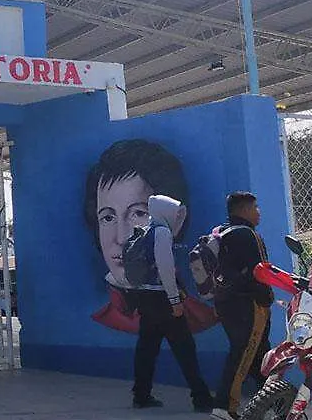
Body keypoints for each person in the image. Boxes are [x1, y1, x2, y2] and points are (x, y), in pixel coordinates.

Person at [85, 140, 217, 334]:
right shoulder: (101, 318)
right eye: (108, 217)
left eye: (138, 213)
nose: (121, 238)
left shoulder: (201, 319)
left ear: (176, 219)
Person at [127, 195, 214, 411]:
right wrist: (175, 300)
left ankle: (141, 395)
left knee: (147, 349)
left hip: (145, 297)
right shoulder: (162, 233)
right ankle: (201, 398)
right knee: (185, 348)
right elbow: (165, 268)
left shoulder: (146, 231)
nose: (177, 218)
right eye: (175, 213)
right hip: (163, 299)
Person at [211, 192, 273, 420]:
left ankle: (270, 404)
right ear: (245, 210)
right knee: (244, 352)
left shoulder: (220, 232)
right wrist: (266, 299)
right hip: (248, 304)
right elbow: (261, 272)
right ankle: (225, 405)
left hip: (225, 301)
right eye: (255, 207)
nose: (259, 212)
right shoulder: (248, 234)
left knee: (260, 353)